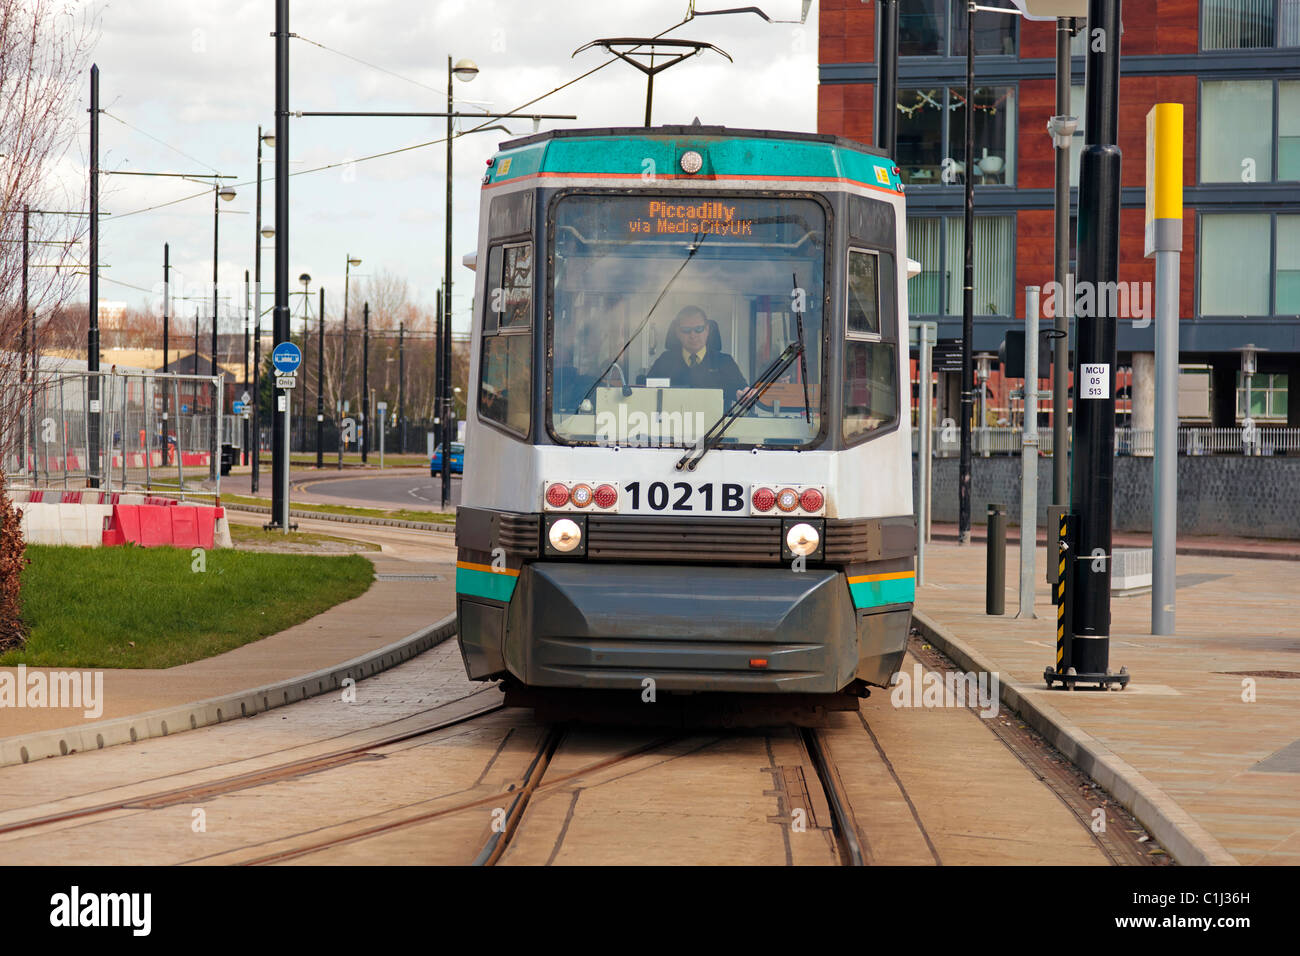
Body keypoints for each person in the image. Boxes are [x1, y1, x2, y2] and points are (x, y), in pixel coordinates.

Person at [646, 306, 749, 400]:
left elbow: (742, 392)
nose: (693, 335)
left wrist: (744, 394)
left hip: (717, 420)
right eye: (686, 330)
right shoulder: (664, 361)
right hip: (675, 419)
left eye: (698, 329)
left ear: (707, 330)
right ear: (677, 332)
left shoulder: (724, 362)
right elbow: (646, 393)